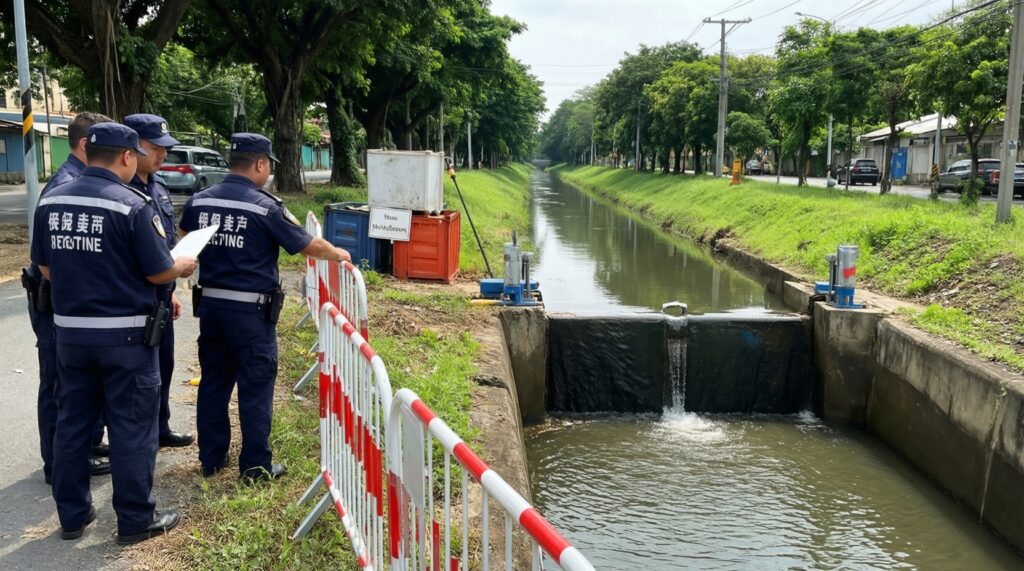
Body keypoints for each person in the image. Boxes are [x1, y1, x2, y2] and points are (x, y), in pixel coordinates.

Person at [30, 122, 198, 544]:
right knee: (131, 428)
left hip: (70, 337)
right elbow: (159, 270)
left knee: (73, 425)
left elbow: (46, 269)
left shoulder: (52, 201)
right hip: (126, 339)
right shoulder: (132, 204)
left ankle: (72, 516)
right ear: (126, 157)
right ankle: (135, 520)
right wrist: (180, 267)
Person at [179, 133, 349, 482]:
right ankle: (255, 468)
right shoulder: (265, 207)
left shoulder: (200, 201)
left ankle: (211, 459)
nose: (268, 171)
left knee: (214, 383)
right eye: (268, 165)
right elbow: (306, 245)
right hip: (251, 315)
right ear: (259, 164)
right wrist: (339, 254)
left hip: (210, 308)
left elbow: (183, 238)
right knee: (255, 388)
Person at [23, 112, 112, 485]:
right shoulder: (64, 185)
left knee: (79, 384)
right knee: (59, 384)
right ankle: (57, 462)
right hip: (57, 301)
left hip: (66, 300)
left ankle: (84, 448)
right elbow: (46, 261)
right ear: (85, 145)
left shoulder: (76, 180)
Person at [124, 114, 194, 449]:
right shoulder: (122, 190)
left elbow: (164, 244)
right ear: (132, 146)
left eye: (165, 148)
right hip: (133, 301)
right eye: (155, 147)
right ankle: (135, 441)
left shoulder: (158, 187)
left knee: (163, 367)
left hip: (161, 298)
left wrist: (173, 289)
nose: (162, 155)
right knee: (135, 379)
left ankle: (160, 426)